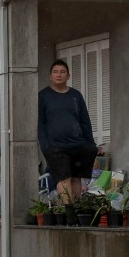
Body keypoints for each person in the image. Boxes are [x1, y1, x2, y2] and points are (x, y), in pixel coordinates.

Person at [38, 59, 99, 202]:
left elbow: (85, 121)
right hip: (56, 147)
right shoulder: (43, 96)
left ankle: (76, 212)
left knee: (76, 179)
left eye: (62, 72)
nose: (59, 75)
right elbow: (40, 124)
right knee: (63, 179)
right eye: (55, 72)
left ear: (68, 76)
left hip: (78, 145)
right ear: (50, 76)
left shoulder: (75, 96)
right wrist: (45, 146)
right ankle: (69, 214)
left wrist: (91, 144)